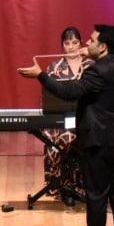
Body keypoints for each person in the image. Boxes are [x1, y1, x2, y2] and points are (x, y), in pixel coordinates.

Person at [18, 24, 114, 226]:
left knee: (96, 195)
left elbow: (69, 91)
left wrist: (40, 75)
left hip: (99, 143)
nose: (85, 45)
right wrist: (92, 56)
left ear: (102, 47)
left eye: (91, 42)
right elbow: (106, 67)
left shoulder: (96, 73)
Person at [40, 26, 91, 203]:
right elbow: (48, 100)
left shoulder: (91, 66)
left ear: (81, 43)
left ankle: (84, 186)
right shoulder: (54, 67)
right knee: (63, 136)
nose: (71, 46)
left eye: (75, 42)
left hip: (87, 118)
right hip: (62, 119)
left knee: (87, 135)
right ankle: (66, 187)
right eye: (67, 43)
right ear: (62, 45)